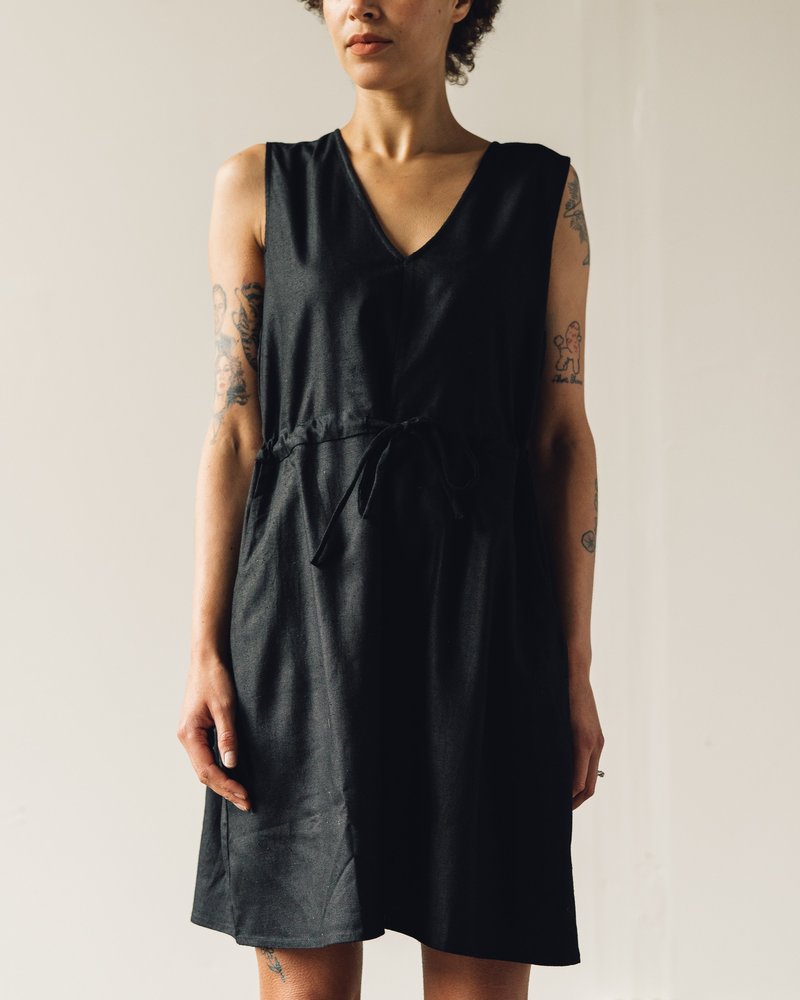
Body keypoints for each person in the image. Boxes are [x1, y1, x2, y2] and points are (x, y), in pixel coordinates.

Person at [177, 1, 605, 996]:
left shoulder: (540, 193)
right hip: (300, 624)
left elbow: (559, 436)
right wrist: (204, 646)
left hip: (485, 622)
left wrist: (573, 665)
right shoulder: (260, 186)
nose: (359, 6)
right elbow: (235, 430)